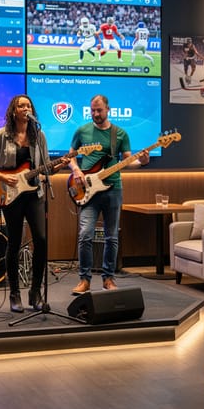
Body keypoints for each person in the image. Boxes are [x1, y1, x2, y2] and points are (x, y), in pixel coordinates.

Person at [0, 94, 69, 313]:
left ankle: (35, 292)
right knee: (14, 242)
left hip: (34, 193)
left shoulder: (39, 136)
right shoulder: (2, 135)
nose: (25, 108)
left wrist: (60, 165)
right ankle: (14, 294)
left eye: (28, 105)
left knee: (40, 239)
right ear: (13, 111)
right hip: (10, 194)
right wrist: (1, 177)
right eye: (21, 106)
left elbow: (46, 167)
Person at [68, 94, 149, 295]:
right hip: (88, 190)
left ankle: (108, 278)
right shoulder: (82, 130)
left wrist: (143, 163)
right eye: (92, 110)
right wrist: (76, 170)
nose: (95, 114)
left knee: (112, 237)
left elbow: (129, 162)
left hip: (113, 190)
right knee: (85, 234)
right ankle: (84, 280)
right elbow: (70, 157)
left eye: (99, 110)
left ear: (108, 110)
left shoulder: (120, 134)